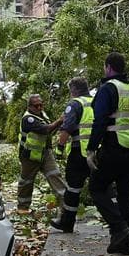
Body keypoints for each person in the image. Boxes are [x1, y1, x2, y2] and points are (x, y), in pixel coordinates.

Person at [87, 52, 129, 255]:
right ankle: (126, 244)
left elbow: (100, 121)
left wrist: (91, 149)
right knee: (125, 193)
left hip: (114, 147)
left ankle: (119, 229)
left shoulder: (108, 89)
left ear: (109, 67)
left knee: (96, 188)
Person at [50, 76, 93, 233]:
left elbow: (66, 129)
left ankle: (66, 223)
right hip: (97, 152)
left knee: (73, 189)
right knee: (103, 188)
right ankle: (118, 223)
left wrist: (59, 149)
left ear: (74, 90)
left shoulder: (75, 104)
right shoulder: (96, 102)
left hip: (79, 152)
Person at [16, 93, 65, 215]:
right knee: (26, 182)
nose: (39, 108)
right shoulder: (28, 119)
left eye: (41, 105)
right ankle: (23, 208)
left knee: (55, 175)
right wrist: (60, 120)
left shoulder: (42, 115)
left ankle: (66, 205)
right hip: (30, 155)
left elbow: (49, 130)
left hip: (45, 153)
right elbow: (45, 129)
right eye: (36, 106)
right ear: (29, 106)